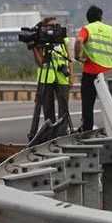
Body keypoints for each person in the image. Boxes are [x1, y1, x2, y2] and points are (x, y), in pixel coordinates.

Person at [73, 5, 112, 132]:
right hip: (109, 73)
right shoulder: (111, 30)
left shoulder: (87, 29)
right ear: (101, 17)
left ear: (88, 18)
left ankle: (87, 131)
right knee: (111, 105)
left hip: (91, 73)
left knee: (88, 104)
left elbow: (79, 41)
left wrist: (77, 56)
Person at [26, 16, 71, 144]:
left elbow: (68, 58)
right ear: (44, 28)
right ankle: (50, 135)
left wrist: (71, 76)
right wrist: (34, 48)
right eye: (51, 26)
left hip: (62, 77)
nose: (53, 29)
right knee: (47, 108)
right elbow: (41, 63)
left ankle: (63, 132)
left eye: (56, 26)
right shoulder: (41, 41)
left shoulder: (62, 40)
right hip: (46, 79)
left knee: (64, 107)